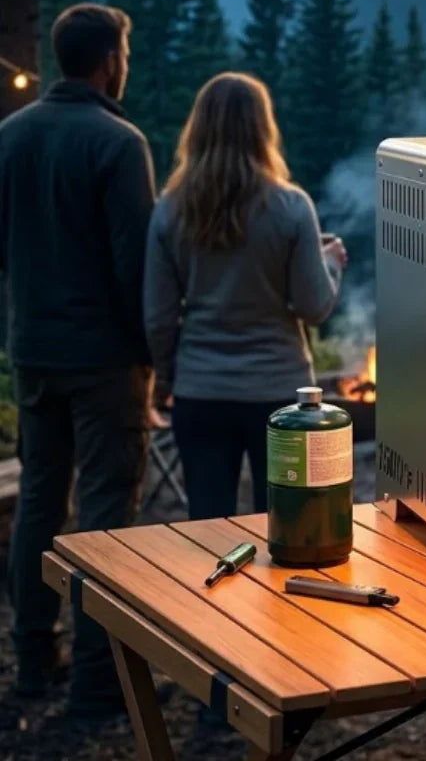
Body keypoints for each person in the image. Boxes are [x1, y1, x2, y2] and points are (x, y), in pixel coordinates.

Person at [0, 4, 155, 715]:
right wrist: (153, 356)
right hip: (105, 361)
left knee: (38, 502)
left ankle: (35, 661)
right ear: (106, 60)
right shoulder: (118, 143)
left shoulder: (10, 136)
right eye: (124, 53)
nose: (125, 64)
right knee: (104, 512)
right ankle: (100, 677)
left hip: (34, 352)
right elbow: (135, 268)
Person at [144, 72, 345, 521]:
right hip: (279, 394)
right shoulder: (291, 207)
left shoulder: (170, 210)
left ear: (197, 129)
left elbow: (157, 317)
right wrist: (330, 262)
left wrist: (166, 380)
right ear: (263, 128)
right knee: (286, 523)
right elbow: (314, 308)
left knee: (207, 527)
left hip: (200, 391)